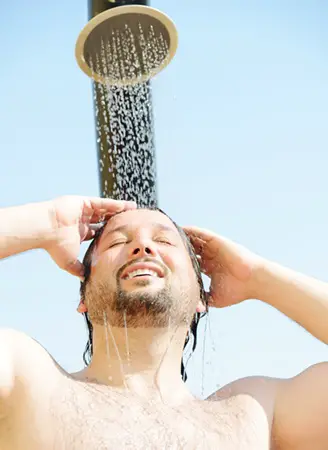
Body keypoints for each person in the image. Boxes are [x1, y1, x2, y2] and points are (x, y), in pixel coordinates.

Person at [0, 195, 328, 450]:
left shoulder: (255, 412)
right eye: (117, 242)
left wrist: (257, 277)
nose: (142, 247)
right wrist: (44, 224)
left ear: (202, 296)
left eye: (165, 242)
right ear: (83, 297)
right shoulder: (30, 381)